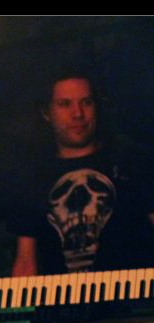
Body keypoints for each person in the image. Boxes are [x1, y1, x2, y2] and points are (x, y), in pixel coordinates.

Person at [10, 69, 154, 277]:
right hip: (62, 296)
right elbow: (25, 262)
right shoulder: (31, 176)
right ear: (46, 113)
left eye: (86, 102)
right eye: (65, 104)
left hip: (133, 294)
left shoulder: (133, 160)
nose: (77, 114)